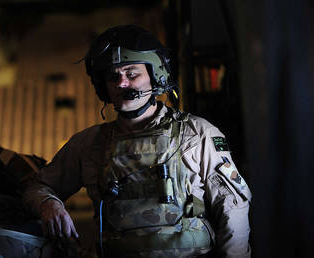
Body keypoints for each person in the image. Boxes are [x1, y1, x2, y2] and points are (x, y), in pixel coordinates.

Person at [23, 25, 251, 257]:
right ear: (103, 87)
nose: (121, 84)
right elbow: (37, 186)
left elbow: (232, 207)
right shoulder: (89, 144)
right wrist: (48, 204)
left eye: (131, 74)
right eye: (113, 77)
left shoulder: (196, 134)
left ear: (156, 76)